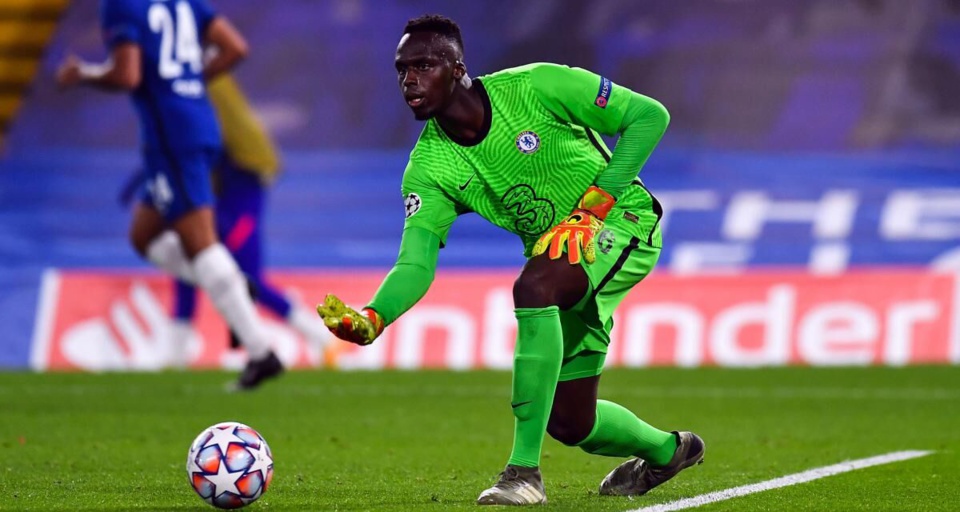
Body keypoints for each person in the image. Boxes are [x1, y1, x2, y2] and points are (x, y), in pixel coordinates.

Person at [317, 14, 704, 506]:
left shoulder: (538, 85)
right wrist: (374, 317)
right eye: (401, 70)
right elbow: (415, 263)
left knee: (533, 286)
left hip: (621, 223)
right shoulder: (428, 169)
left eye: (423, 65)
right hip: (563, 258)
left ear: (457, 68)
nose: (409, 80)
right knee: (571, 421)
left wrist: (594, 207)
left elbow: (650, 116)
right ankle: (670, 450)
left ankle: (523, 474)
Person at [56, 0, 282, 390]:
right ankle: (227, 284)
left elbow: (128, 75)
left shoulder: (121, 6)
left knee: (201, 243)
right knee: (144, 236)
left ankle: (261, 352)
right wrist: (189, 81)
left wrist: (85, 73)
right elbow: (236, 48)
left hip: (172, 137)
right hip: (196, 124)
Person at [145, 73, 331, 368]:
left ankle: (322, 339)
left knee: (247, 279)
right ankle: (176, 357)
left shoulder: (222, 128)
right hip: (219, 202)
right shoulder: (208, 114)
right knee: (190, 262)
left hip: (238, 204)